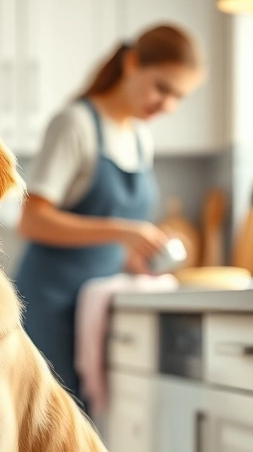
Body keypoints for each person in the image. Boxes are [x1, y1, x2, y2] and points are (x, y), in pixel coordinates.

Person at [14, 24, 205, 409]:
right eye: (162, 88)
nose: (167, 105)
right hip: (51, 303)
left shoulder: (139, 137)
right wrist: (124, 232)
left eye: (178, 97)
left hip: (98, 306)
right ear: (131, 63)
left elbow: (111, 240)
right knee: (50, 428)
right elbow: (31, 220)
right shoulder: (75, 124)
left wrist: (137, 256)